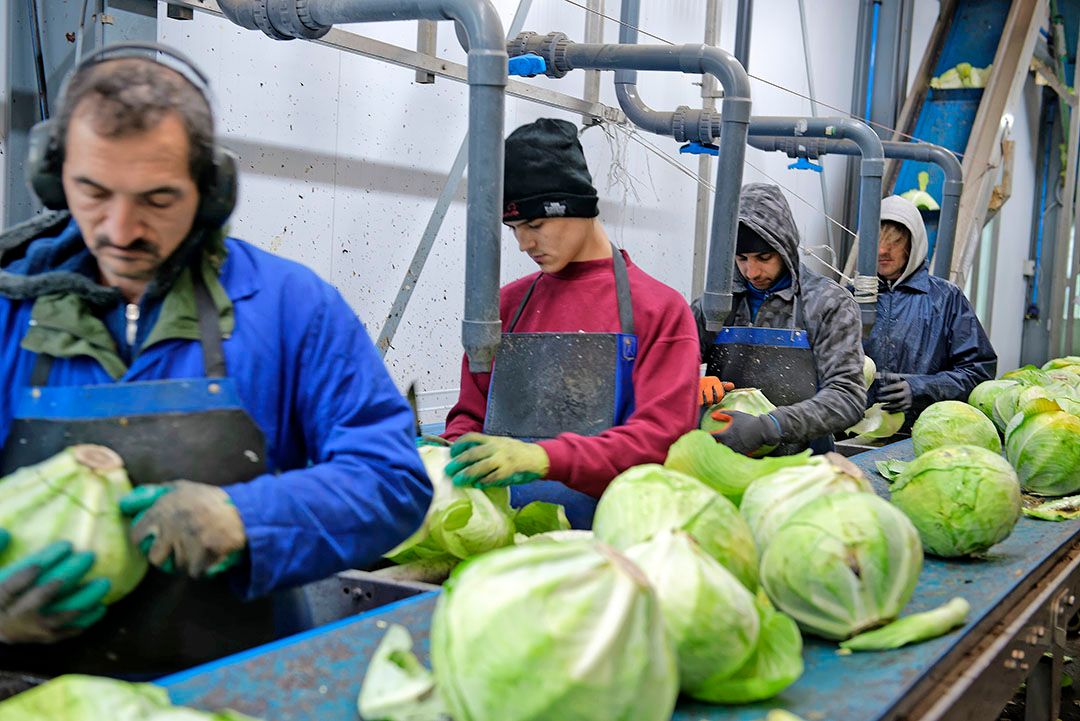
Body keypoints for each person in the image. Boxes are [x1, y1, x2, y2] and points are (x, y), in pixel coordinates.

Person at [0, 43, 431, 683]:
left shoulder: (291, 307)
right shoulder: (9, 308)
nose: (120, 229)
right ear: (52, 173)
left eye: (157, 198)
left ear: (210, 190)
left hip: (237, 690)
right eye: (92, 191)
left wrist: (248, 519)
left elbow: (391, 479)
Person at [437, 118, 701, 529]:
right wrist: (447, 456)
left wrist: (544, 458)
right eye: (514, 229)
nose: (524, 243)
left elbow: (658, 439)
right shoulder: (504, 306)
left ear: (577, 208)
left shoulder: (659, 310)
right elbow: (470, 416)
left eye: (535, 225)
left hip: (613, 546)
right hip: (500, 538)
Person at [694, 183, 866, 455]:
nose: (752, 272)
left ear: (785, 247)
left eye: (764, 257)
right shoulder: (718, 303)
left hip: (802, 468)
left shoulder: (827, 303)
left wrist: (770, 426)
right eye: (741, 258)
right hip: (722, 459)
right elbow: (665, 364)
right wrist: (689, 380)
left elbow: (847, 398)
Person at [864, 195, 996, 422]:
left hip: (921, 428)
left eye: (894, 241)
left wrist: (921, 389)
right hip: (855, 430)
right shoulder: (849, 296)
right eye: (877, 240)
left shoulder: (946, 299)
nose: (883, 250)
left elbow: (978, 372)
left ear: (913, 245)